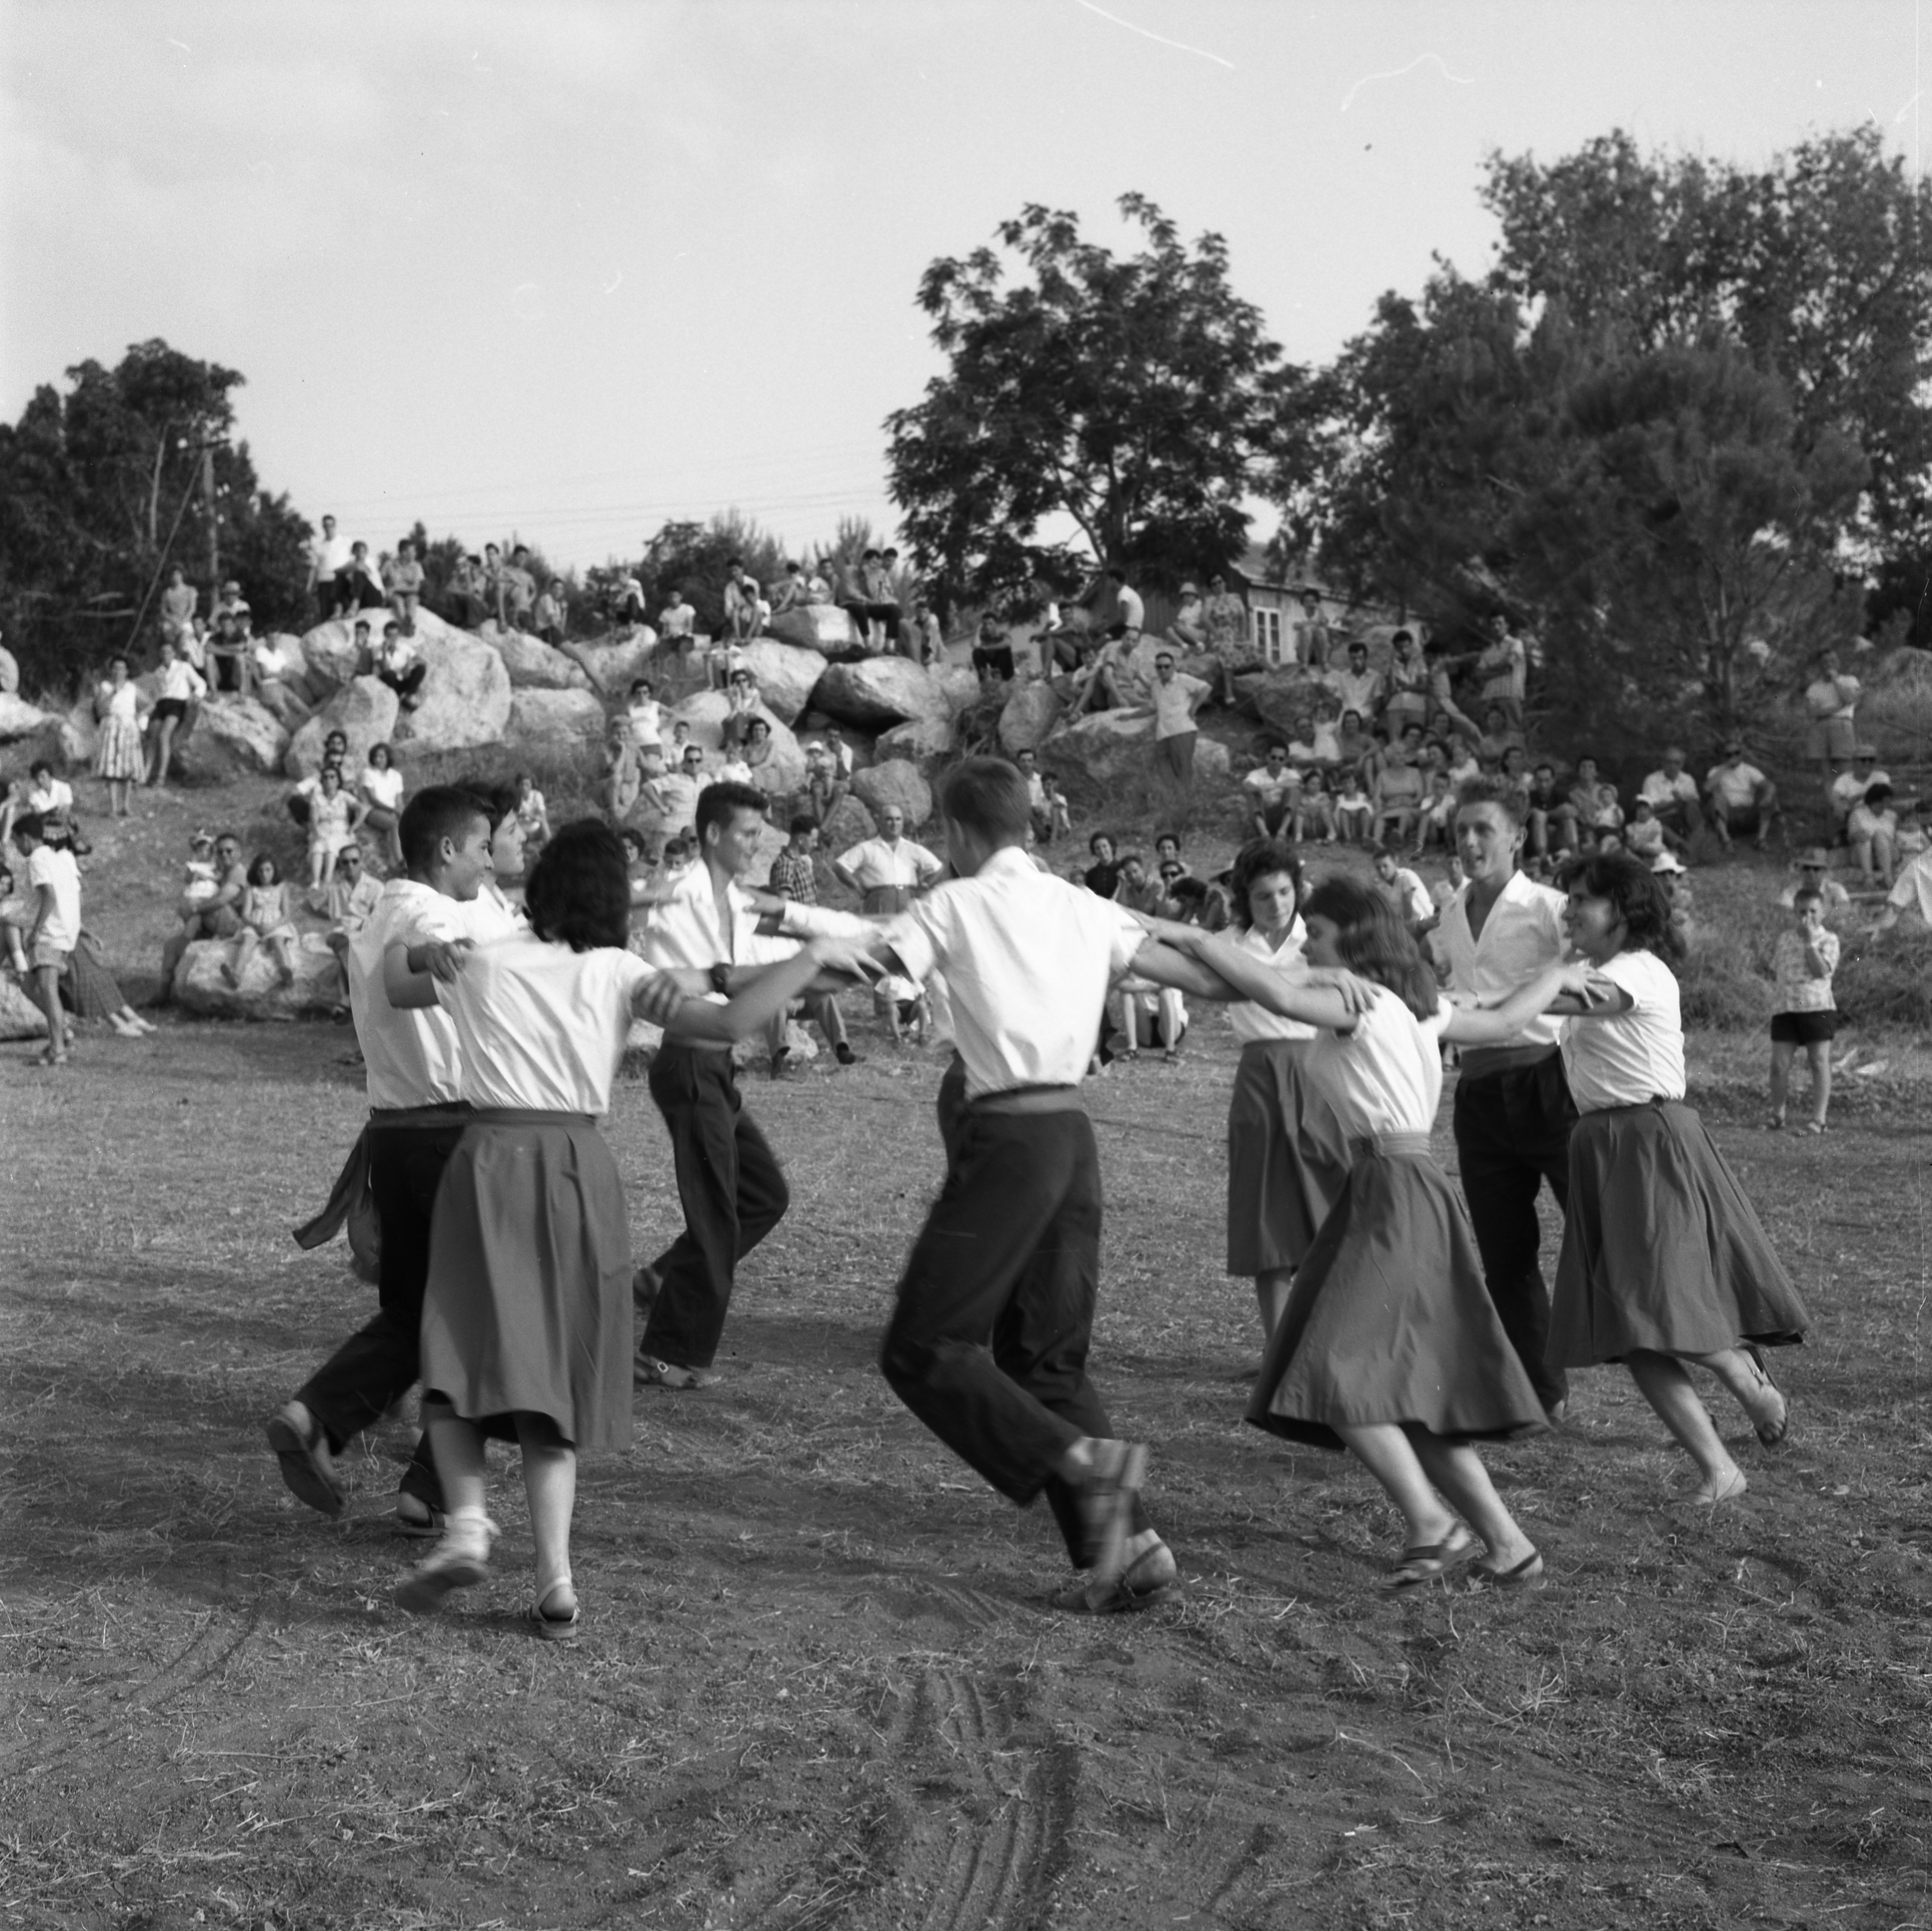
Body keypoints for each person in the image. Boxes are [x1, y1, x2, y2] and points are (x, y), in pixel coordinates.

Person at [383, 819, 867, 1632]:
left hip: (489, 1159)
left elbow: (397, 987)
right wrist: (810, 960)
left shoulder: (482, 954)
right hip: (575, 1165)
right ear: (614, 898)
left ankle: (467, 1522)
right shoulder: (618, 970)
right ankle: (555, 1579)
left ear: (539, 887)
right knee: (559, 1376)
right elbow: (718, 1026)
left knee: (456, 1351)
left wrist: (424, 956)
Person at [868, 758, 1221, 1610]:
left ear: (953, 835)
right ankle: (1126, 1546)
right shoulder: (1079, 903)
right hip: (1072, 1135)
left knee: (924, 1347)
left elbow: (879, 969)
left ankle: (1079, 1460)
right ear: (1029, 822)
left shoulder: (952, 902)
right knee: (1046, 1357)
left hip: (1009, 1134)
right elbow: (1196, 976)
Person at [1163, 880, 1558, 1589]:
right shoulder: (1413, 1005)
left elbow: (1281, 997)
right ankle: (1510, 1546)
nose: (1307, 940)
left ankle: (1435, 1526)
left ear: (1354, 935)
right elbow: (1501, 1021)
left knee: (1333, 1369)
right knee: (1406, 1390)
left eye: (1316, 928)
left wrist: (1199, 938)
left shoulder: (1359, 1000)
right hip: (1394, 1188)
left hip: (1393, 1191)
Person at [268, 787, 528, 1538]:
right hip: (453, 1134)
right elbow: (458, 962)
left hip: (397, 1134)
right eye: (482, 846)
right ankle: (432, 1484)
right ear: (446, 850)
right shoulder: (428, 916)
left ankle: (320, 1416)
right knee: (489, 1313)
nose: (488, 859)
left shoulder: (378, 909)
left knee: (416, 1310)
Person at [1537, 851, 1807, 1504]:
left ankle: (1743, 1378)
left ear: (1622, 911)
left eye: (1582, 899)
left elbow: (1569, 998)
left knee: (1661, 1304)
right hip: (1599, 1146)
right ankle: (1719, 1468)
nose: (1569, 908)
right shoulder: (1584, 970)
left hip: (1649, 1143)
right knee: (1627, 1326)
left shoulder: (1639, 971)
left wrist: (1499, 985)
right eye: (1567, 897)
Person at [629, 784, 865, 1386]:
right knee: (716, 1215)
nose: (755, 845)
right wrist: (635, 897)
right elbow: (627, 911)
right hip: (687, 1059)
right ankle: (667, 1353)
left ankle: (661, 1278)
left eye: (761, 835)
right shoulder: (677, 894)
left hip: (716, 1065)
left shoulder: (738, 901)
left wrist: (821, 964)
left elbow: (758, 970)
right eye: (747, 834)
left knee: (762, 1195)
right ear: (712, 834)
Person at [1434, 778, 1575, 1421]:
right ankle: (1540, 1394)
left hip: (1549, 1084)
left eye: (1482, 830)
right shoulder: (1448, 911)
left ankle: (1726, 1367)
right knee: (1504, 1254)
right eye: (1460, 831)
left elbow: (1596, 973)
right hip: (1479, 1094)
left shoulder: (1549, 907)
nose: (1468, 842)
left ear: (1517, 836)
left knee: (1606, 1235)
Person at [1768, 887, 1840, 1133]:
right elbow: (1777, 969)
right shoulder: (1785, 938)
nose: (1807, 916)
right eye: (1802, 911)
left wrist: (1810, 944)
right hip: (1786, 1007)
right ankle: (1778, 1115)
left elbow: (1821, 971)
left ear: (1824, 912)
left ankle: (1819, 1120)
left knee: (1819, 1062)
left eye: (1813, 911)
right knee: (1779, 1064)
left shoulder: (1829, 939)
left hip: (1816, 1007)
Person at [10, 813, 80, 1065]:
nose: (17, 848)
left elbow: (49, 895)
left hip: (50, 934)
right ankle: (61, 1030)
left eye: (17, 842)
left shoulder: (37, 859)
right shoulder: (61, 858)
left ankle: (58, 1049)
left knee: (48, 990)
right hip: (65, 930)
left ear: (26, 838)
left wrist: (37, 931)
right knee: (29, 986)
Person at [833, 807, 942, 914]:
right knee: (881, 931)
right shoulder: (867, 848)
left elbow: (937, 868)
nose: (894, 824)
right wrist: (857, 887)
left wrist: (925, 886)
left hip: (908, 899)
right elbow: (840, 866)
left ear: (903, 823)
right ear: (880, 822)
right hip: (879, 900)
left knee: (909, 931)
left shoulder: (913, 849)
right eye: (889, 819)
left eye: (898, 819)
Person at [321, 841, 382, 1010]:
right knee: (344, 943)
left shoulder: (375, 887)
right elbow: (316, 907)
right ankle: (366, 994)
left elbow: (378, 918)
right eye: (345, 862)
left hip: (366, 931)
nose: (350, 866)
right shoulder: (335, 888)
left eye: (355, 861)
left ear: (362, 862)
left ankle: (344, 1000)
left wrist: (361, 930)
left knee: (348, 950)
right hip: (341, 933)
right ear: (340, 864)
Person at [224, 853, 300, 987]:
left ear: (274, 871)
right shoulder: (252, 889)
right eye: (261, 871)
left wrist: (273, 925)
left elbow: (287, 914)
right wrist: (256, 925)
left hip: (276, 923)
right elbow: (245, 915)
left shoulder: (281, 887)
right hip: (256, 923)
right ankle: (236, 975)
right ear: (256, 872)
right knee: (248, 942)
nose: (265, 874)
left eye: (268, 870)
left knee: (278, 943)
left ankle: (287, 972)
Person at [147, 636, 207, 789]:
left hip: (177, 703)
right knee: (152, 737)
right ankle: (145, 774)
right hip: (162, 704)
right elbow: (155, 694)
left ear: (174, 653)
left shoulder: (183, 667)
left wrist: (196, 696)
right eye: (163, 652)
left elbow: (200, 683)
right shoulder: (158, 672)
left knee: (164, 736)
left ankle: (161, 777)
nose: (166, 654)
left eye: (169, 652)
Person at [1146, 650, 1208, 788]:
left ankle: (1184, 805)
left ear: (1174, 667)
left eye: (1167, 666)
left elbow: (1206, 688)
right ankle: (1174, 802)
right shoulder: (1155, 686)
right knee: (1164, 770)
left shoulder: (1183, 679)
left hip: (1182, 731)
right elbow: (1152, 708)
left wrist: (1195, 708)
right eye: (1159, 667)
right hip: (1163, 735)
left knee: (1183, 771)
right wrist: (1129, 716)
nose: (1163, 670)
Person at [1704, 740, 1777, 851]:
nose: (1734, 756)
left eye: (1736, 753)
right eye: (1729, 754)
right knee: (1716, 799)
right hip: (1728, 815)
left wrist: (1768, 795)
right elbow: (1707, 789)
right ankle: (1727, 841)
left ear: (1741, 754)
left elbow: (1769, 785)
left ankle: (1761, 839)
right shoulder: (1716, 771)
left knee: (1770, 795)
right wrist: (1726, 767)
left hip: (1748, 815)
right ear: (1724, 756)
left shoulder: (1749, 770)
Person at [306, 765, 367, 894]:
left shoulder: (344, 796)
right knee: (318, 847)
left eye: (332, 777)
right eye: (326, 777)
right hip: (323, 829)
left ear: (338, 780)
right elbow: (314, 819)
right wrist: (317, 832)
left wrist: (353, 828)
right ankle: (316, 881)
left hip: (341, 831)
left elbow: (362, 809)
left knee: (332, 847)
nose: (329, 780)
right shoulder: (317, 798)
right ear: (322, 781)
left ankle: (327, 880)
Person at [1803, 648, 1862, 773]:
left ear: (1838, 662)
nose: (1829, 664)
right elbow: (1812, 712)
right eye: (1825, 662)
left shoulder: (1850, 680)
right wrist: (1838, 708)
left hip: (1842, 724)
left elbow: (1849, 699)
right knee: (1826, 769)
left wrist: (1836, 680)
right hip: (1820, 726)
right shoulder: (1814, 688)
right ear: (1820, 665)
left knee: (1845, 766)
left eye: (1833, 660)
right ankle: (1830, 793)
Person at [1638, 748, 1704, 844]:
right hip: (1663, 817)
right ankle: (1683, 846)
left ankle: (1699, 842)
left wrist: (1680, 802)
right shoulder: (1652, 780)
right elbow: (1650, 808)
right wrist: (1675, 803)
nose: (1672, 766)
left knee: (1692, 807)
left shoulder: (1688, 779)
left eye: (1677, 763)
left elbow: (1696, 801)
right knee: (1658, 825)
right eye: (1669, 762)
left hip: (1683, 816)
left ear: (1682, 764)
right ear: (1663, 763)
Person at [358, 743, 406, 869]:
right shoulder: (368, 773)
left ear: (388, 758)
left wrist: (402, 812)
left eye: (381, 756)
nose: (378, 759)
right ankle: (400, 861)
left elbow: (399, 800)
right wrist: (394, 810)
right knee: (394, 825)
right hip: (373, 810)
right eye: (375, 756)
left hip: (391, 811)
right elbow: (373, 799)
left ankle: (400, 860)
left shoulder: (396, 776)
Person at [1202, 573, 1248, 703]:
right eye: (1214, 584)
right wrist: (1216, 633)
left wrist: (1242, 635)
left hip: (1234, 634)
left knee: (1249, 648)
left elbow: (1243, 618)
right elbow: (1205, 620)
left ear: (1225, 583)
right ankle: (1229, 692)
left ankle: (1275, 673)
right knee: (1227, 648)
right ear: (1211, 587)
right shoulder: (1210, 601)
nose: (1218, 585)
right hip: (1218, 634)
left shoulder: (1235, 599)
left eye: (1220, 582)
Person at [1847, 781, 1902, 885]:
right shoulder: (1858, 814)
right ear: (1873, 801)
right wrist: (1859, 835)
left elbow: (1896, 838)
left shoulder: (1892, 816)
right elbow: (1851, 837)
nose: (1885, 806)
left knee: (1880, 835)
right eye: (1882, 802)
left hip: (1889, 855)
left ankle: (1888, 877)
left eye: (1888, 802)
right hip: (1863, 856)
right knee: (1864, 837)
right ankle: (1869, 877)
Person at [1369, 845, 1433, 932]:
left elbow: (1407, 903)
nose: (1382, 871)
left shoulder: (1405, 875)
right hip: (1410, 926)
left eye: (1385, 866)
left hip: (1425, 921)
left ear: (1395, 863)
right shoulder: (1381, 886)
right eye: (1378, 868)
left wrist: (1404, 929)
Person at [1243, 743, 1298, 838]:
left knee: (1294, 791)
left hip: (1282, 814)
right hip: (1265, 815)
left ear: (1285, 761)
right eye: (1274, 757)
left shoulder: (1290, 773)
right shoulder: (1257, 774)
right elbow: (1247, 785)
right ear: (1268, 757)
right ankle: (1265, 834)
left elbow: (1298, 783)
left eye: (1281, 759)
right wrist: (1261, 791)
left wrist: (1273, 786)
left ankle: (1282, 832)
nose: (1277, 761)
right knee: (1253, 794)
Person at [1778, 847, 1853, 915]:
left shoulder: (1835, 889)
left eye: (1816, 869)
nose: (1811, 873)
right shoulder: (1791, 891)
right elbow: (1785, 912)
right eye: (1807, 868)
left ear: (1824, 871)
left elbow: (1844, 908)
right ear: (1800, 870)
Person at [374, 620, 427, 711]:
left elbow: (422, 661)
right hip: (391, 683)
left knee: (421, 669)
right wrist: (384, 652)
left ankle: (407, 695)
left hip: (404, 680)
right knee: (390, 674)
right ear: (385, 636)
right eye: (390, 635)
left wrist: (409, 665)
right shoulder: (378, 650)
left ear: (398, 635)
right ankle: (398, 699)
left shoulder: (404, 647)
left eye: (395, 635)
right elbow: (385, 670)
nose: (392, 638)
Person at [387, 538, 425, 634]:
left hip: (410, 593)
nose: (415, 554)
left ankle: (407, 624)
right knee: (398, 601)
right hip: (395, 595)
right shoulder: (390, 564)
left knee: (412, 601)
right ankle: (407, 625)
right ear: (403, 553)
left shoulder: (417, 566)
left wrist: (396, 587)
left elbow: (416, 588)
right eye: (412, 552)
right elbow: (380, 580)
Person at [1291, 588, 1333, 670]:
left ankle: (1324, 662)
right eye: (1307, 601)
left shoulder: (1320, 614)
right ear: (1303, 603)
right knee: (1307, 630)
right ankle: (1305, 662)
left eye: (1312, 601)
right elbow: (1296, 626)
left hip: (1319, 651)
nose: (1309, 604)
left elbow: (1324, 623)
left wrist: (1320, 610)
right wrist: (1312, 623)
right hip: (1304, 651)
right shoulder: (1299, 614)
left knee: (1321, 630)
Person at [160, 566, 200, 650]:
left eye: (178, 574)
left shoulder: (191, 590)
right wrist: (173, 621)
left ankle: (178, 658)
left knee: (184, 636)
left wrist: (182, 623)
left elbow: (192, 609)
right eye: (173, 575)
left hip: (185, 621)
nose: (176, 577)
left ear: (182, 575)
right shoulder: (167, 592)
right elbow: (163, 611)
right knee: (169, 635)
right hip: (171, 621)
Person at [513, 772, 552, 849]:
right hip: (520, 830)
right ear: (518, 785)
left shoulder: (537, 795)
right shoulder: (515, 797)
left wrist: (531, 816)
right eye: (522, 784)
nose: (524, 787)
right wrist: (524, 815)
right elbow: (514, 815)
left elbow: (542, 814)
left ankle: (550, 847)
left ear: (532, 785)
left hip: (535, 828)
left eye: (527, 784)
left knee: (544, 823)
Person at [657, 583, 697, 658]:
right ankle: (660, 669)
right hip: (671, 640)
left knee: (682, 649)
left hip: (686, 639)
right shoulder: (665, 612)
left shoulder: (688, 609)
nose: (673, 599)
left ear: (681, 597)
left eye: (676, 597)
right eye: (671, 597)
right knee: (660, 649)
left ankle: (682, 669)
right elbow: (664, 631)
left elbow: (690, 628)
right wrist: (663, 638)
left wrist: (679, 634)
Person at [1082, 831, 1121, 900]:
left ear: (1112, 847)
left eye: (1105, 846)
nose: (1102, 851)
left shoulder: (1123, 869)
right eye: (1098, 848)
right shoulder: (1091, 875)